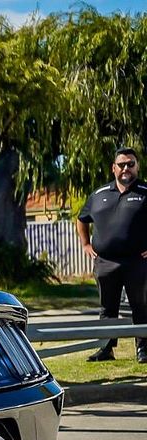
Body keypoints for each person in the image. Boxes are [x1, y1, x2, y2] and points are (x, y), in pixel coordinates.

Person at [76, 147, 147, 363]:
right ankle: (105, 348)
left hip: (138, 262)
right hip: (105, 262)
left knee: (141, 306)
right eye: (122, 164)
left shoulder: (145, 191)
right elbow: (81, 219)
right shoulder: (98, 195)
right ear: (113, 168)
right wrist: (86, 244)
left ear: (137, 167)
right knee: (107, 308)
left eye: (131, 164)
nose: (126, 168)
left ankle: (143, 349)